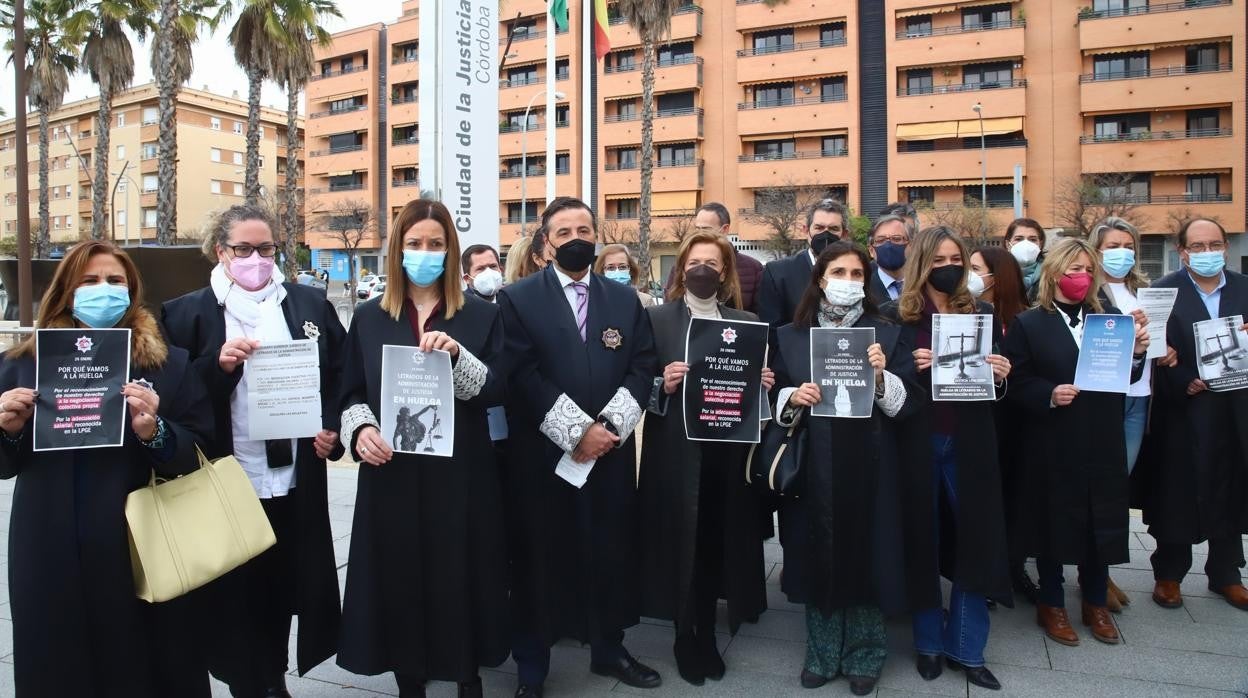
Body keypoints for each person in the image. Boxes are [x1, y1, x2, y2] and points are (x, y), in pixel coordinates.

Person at [0, 240, 213, 696]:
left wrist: (154, 430)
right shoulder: (22, 365)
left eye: (116, 281)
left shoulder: (170, 366)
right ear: (65, 292)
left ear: (132, 290)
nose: (104, 290)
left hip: (140, 545)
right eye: (90, 281)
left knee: (144, 663)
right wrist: (9, 429)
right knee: (57, 663)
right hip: (49, 544)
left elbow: (198, 449)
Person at [162, 204, 345, 698]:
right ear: (221, 252)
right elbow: (172, 396)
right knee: (233, 592)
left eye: (266, 248)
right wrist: (215, 367)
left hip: (293, 478)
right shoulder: (185, 313)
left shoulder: (308, 304)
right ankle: (246, 682)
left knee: (285, 584)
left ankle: (274, 676)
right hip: (225, 478)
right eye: (243, 249)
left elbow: (343, 378)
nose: (256, 259)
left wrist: (331, 430)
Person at [333, 200, 509, 697]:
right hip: (391, 472)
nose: (424, 253)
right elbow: (349, 393)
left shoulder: (478, 315)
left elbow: (498, 391)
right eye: (414, 244)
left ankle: (466, 674)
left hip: (462, 473)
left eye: (435, 244)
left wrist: (458, 359)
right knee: (399, 576)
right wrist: (360, 431)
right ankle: (408, 677)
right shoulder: (369, 317)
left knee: (461, 574)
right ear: (397, 249)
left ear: (451, 251)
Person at [498, 196, 659, 698]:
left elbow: (642, 366)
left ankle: (608, 648)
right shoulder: (517, 298)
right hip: (543, 459)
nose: (575, 239)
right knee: (539, 556)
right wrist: (575, 432)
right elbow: (520, 372)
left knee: (609, 550)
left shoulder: (623, 299)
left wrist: (606, 429)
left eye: (584, 229)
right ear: (546, 242)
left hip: (607, 457)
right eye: (563, 232)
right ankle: (532, 664)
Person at [772, 241, 933, 696]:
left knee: (869, 554)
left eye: (857, 273)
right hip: (814, 466)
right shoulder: (790, 334)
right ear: (820, 279)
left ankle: (865, 653)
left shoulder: (888, 332)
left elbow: (911, 407)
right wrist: (791, 398)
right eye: (838, 271)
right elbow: (773, 397)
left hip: (872, 464)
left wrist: (883, 378)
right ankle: (821, 654)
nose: (847, 281)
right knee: (817, 555)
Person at [881, 226, 1013, 691]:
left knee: (975, 543)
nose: (947, 266)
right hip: (916, 442)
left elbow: (994, 383)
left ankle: (968, 648)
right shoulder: (893, 316)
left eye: (954, 258)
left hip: (968, 441)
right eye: (936, 260)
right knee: (922, 540)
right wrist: (908, 367)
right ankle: (928, 645)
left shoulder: (980, 311)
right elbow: (882, 383)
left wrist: (999, 372)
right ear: (919, 262)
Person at [1003, 237, 1149, 647]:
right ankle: (1051, 602)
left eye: (1088, 270)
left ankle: (1096, 601)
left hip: (1102, 435)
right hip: (1053, 438)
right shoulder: (1030, 323)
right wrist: (1047, 394)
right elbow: (1015, 381)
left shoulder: (1111, 319)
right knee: (1053, 519)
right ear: (1054, 274)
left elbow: (1126, 378)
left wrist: (1136, 353)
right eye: (1073, 271)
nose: (1082, 278)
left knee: (1100, 516)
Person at [638, 232, 766, 686]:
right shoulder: (656, 320)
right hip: (675, 453)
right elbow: (638, 390)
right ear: (681, 268)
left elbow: (753, 404)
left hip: (725, 456)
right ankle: (682, 633)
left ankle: (708, 630)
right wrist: (663, 384)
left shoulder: (745, 320)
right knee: (680, 543)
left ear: (726, 271)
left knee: (714, 541)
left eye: (713, 263)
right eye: (696, 262)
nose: (703, 270)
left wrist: (761, 383)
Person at [1142, 217, 1248, 612]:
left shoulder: (1244, 287)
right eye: (1198, 247)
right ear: (1182, 252)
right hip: (1183, 406)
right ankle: (1169, 572)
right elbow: (1153, 349)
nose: (1208, 253)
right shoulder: (1161, 292)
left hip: (1235, 405)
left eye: (1215, 244)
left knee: (1230, 483)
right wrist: (1183, 376)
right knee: (1178, 487)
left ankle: (1227, 574)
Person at [970, 244, 1038, 605]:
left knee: (1012, 501)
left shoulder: (1025, 319)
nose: (969, 274)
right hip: (981, 422)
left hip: (1014, 423)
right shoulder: (964, 312)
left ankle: (1012, 569)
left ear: (999, 277)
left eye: (975, 268)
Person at [758, 199, 850, 334]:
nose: (826, 234)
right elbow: (772, 331)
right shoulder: (778, 273)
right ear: (806, 230)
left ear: (844, 234)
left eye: (833, 229)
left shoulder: (857, 274)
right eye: (819, 228)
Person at [660, 203, 764, 312]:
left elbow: (760, 315)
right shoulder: (681, 265)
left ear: (725, 229)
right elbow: (671, 303)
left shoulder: (753, 268)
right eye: (697, 229)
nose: (700, 234)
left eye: (706, 229)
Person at [866, 214, 911, 306]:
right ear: (871, 250)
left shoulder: (925, 286)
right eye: (880, 240)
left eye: (896, 239)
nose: (888, 245)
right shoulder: (863, 289)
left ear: (910, 246)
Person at [595, 243, 658, 307]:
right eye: (611, 268)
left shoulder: (645, 301)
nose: (617, 272)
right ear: (602, 271)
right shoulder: (592, 301)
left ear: (631, 270)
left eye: (622, 267)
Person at [1003, 218, 1047, 299]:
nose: (1026, 243)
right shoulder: (996, 275)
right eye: (1018, 239)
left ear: (1040, 244)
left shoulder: (1051, 275)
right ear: (1008, 245)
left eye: (1032, 239)